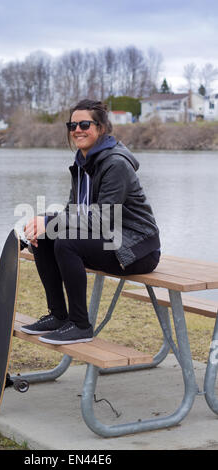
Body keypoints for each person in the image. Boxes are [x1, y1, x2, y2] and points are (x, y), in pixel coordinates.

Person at [20, 99, 160, 345]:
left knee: (66, 243)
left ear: (101, 128)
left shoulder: (115, 164)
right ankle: (58, 316)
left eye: (84, 124)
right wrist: (43, 225)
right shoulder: (82, 163)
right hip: (108, 240)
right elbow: (72, 212)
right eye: (72, 125)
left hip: (136, 247)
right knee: (45, 237)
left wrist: (52, 220)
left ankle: (80, 324)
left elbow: (103, 218)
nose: (77, 130)